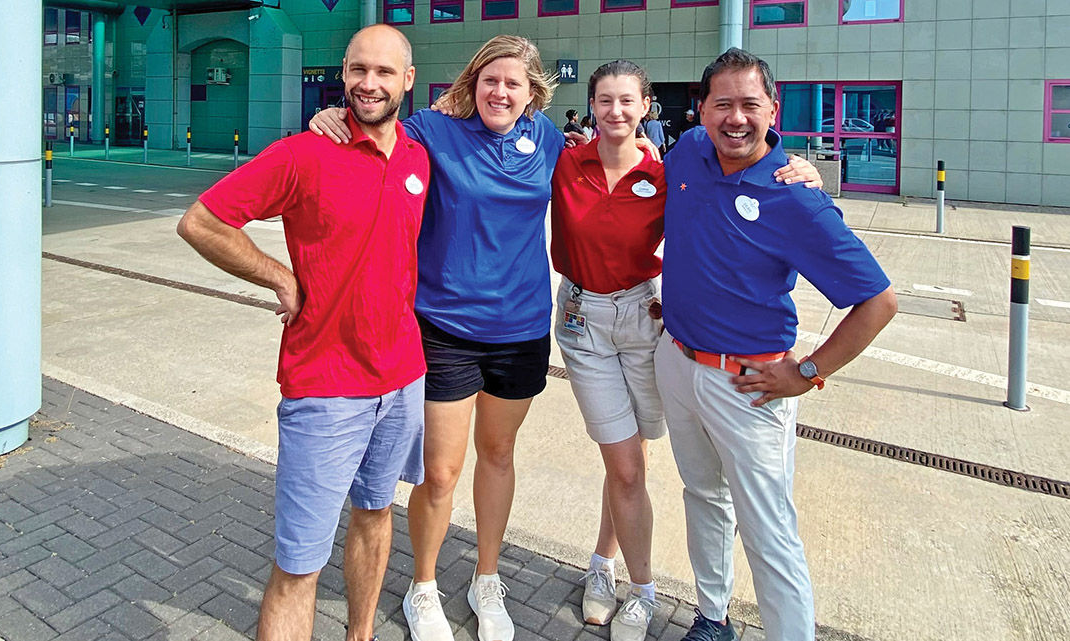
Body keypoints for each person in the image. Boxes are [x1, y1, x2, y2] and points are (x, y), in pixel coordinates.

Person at [551, 60, 822, 641]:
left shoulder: (668, 166)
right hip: (583, 321)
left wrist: (799, 165)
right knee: (627, 462)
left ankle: (610, 560)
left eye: (628, 100)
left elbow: (750, 142)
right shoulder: (565, 160)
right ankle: (625, 578)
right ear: (590, 106)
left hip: (647, 319)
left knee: (634, 461)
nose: (615, 111)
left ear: (648, 105)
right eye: (604, 100)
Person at [176, 25, 430, 641]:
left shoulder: (418, 158)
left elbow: (484, 105)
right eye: (357, 70)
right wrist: (278, 278)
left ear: (408, 80)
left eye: (384, 72)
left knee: (375, 515)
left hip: (402, 380)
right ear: (342, 74)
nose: (368, 84)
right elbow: (202, 222)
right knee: (298, 565)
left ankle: (361, 634)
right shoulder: (303, 154)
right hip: (325, 387)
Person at [310, 35, 565, 641]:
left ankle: (486, 579)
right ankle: (423, 585)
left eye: (513, 84)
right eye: (490, 81)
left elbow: (620, 159)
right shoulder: (433, 130)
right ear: (472, 83)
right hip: (446, 328)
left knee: (498, 457)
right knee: (441, 472)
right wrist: (331, 116)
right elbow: (375, 126)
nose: (500, 92)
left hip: (523, 329)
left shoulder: (549, 141)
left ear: (533, 93)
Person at [656, 48, 897, 641]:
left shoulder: (796, 198)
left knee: (770, 532)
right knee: (704, 498)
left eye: (749, 104)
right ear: (701, 110)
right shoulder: (687, 152)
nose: (736, 118)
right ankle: (712, 618)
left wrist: (809, 371)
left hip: (751, 386)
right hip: (679, 363)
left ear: (773, 108)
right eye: (723, 105)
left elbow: (878, 302)